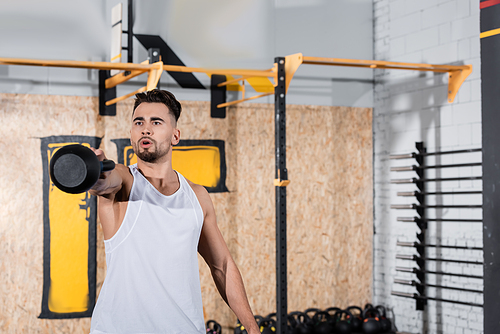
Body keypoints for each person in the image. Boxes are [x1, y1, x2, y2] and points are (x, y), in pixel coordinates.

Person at [89, 89, 259, 334]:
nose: (145, 129)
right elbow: (104, 181)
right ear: (131, 134)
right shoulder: (124, 182)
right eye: (139, 123)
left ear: (175, 136)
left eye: (156, 122)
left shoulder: (197, 197)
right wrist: (94, 170)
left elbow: (222, 265)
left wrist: (252, 328)